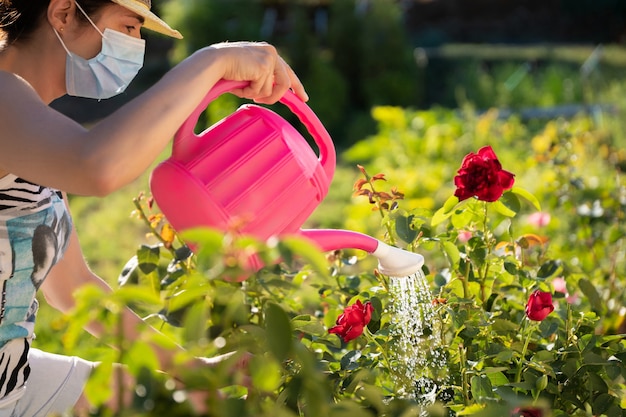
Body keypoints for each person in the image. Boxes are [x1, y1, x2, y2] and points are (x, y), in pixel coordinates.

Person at [0, 0, 308, 415]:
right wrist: (213, 62)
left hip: (12, 379)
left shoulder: (40, 132)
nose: (137, 45)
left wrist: (195, 370)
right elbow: (96, 165)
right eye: (129, 26)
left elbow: (74, 289)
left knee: (187, 402)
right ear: (64, 13)